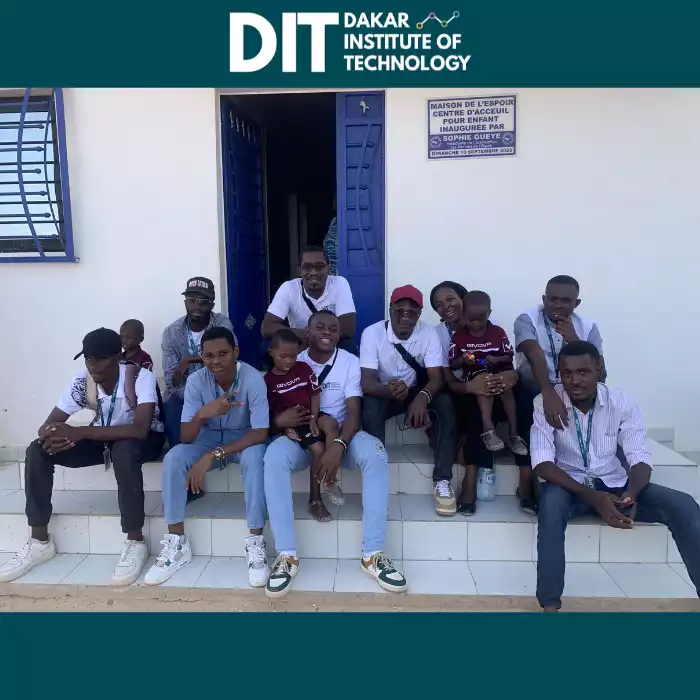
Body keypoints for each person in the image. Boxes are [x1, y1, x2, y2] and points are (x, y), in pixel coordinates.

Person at [532, 341, 700, 611]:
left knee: (684, 505)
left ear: (600, 370)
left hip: (614, 482)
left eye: (584, 372)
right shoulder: (545, 403)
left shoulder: (621, 402)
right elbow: (541, 463)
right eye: (567, 373)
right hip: (568, 485)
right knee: (550, 507)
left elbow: (640, 457)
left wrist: (630, 494)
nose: (575, 380)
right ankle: (550, 604)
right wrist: (592, 497)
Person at [0, 328, 164, 585]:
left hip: (143, 440)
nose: (93, 365)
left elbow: (140, 429)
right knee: (37, 450)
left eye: (100, 358)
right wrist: (51, 434)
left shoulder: (139, 377)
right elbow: (49, 423)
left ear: (118, 356)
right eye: (88, 358)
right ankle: (39, 540)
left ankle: (135, 541)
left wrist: (79, 432)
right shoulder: (82, 381)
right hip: (101, 437)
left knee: (124, 448)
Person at [263, 310, 407, 598]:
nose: (327, 331)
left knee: (376, 451)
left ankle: (373, 554)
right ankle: (287, 555)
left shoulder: (350, 362)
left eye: (333, 327)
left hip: (344, 435)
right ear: (307, 331)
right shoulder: (291, 357)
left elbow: (353, 412)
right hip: (301, 439)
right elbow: (266, 409)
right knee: (273, 457)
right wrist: (281, 424)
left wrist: (339, 445)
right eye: (319, 326)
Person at [145, 327, 269, 587]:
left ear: (236, 352)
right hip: (208, 436)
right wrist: (203, 413)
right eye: (209, 355)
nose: (216, 361)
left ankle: (256, 543)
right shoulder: (196, 380)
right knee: (175, 458)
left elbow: (260, 432)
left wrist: (215, 455)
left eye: (223, 353)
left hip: (244, 439)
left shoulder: (253, 378)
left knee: (256, 459)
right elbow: (186, 437)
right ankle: (177, 544)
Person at [431, 282, 536, 516]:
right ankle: (470, 479)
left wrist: (510, 376)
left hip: (495, 382)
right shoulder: (439, 335)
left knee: (525, 397)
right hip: (464, 391)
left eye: (450, 299)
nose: (446, 306)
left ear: (463, 299)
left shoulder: (494, 330)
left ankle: (526, 478)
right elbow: (447, 376)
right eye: (439, 305)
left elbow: (509, 359)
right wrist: (469, 386)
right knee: (475, 405)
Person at [360, 284, 457, 516]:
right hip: (385, 392)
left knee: (445, 404)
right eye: (399, 310)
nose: (405, 316)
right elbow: (367, 383)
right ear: (390, 309)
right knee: (370, 407)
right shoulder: (372, 333)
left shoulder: (429, 333)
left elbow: (436, 378)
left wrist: (422, 397)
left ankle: (442, 480)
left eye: (412, 312)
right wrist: (388, 391)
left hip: (415, 391)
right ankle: (375, 482)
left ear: (420, 313)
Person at [264, 328, 342, 523]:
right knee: (318, 448)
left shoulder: (304, 368)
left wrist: (315, 418)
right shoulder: (268, 381)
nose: (289, 361)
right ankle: (315, 500)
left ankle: (331, 479)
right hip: (295, 422)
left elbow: (315, 395)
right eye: (283, 356)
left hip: (311, 414)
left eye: (292, 356)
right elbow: (271, 411)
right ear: (271, 352)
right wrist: (284, 428)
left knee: (332, 424)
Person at [514, 274, 605, 431]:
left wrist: (575, 341)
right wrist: (548, 393)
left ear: (576, 303)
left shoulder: (588, 326)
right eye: (553, 299)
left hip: (573, 388)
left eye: (566, 300)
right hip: (535, 387)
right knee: (525, 395)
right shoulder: (527, 319)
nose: (558, 305)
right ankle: (528, 452)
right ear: (544, 299)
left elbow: (601, 372)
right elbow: (534, 353)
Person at [448, 291, 528, 455]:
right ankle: (488, 429)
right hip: (475, 374)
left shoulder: (498, 333)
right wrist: (463, 359)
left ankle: (514, 434)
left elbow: (509, 355)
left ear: (489, 314)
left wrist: (496, 359)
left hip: (499, 371)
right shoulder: (459, 337)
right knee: (484, 384)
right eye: (471, 319)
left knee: (505, 388)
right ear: (463, 314)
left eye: (481, 319)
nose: (476, 324)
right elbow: (453, 363)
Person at [161, 276, 234, 448]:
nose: (197, 306)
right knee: (171, 409)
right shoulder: (171, 332)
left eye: (203, 302)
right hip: (183, 394)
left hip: (218, 388)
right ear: (185, 302)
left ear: (212, 306)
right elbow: (172, 380)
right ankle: (181, 456)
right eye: (192, 300)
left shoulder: (222, 324)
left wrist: (190, 358)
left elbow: (230, 358)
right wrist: (194, 396)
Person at [260, 246, 357, 358]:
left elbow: (348, 327)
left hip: (329, 339)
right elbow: (267, 327)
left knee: (349, 346)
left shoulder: (339, 283)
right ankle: (282, 375)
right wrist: (302, 334)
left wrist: (316, 337)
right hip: (300, 340)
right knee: (266, 347)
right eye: (307, 267)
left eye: (320, 266)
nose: (314, 272)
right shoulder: (289, 288)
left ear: (328, 269)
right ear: (300, 271)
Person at [322, 197, 338, 275]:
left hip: (338, 267)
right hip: (330, 266)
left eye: (335, 201)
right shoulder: (334, 221)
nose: (333, 203)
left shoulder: (345, 222)